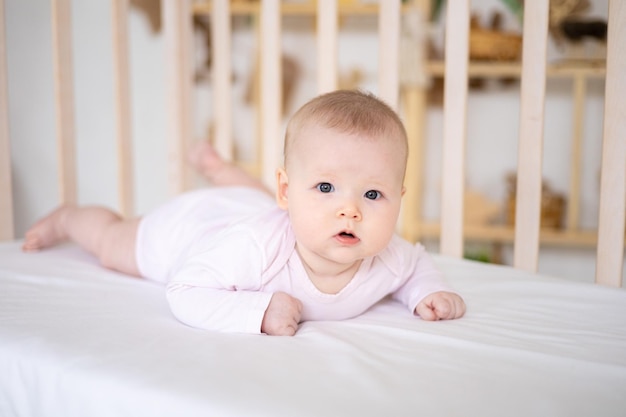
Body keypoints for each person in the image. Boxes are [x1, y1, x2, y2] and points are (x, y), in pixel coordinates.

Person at [22, 90, 466, 336]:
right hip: (197, 228)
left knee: (257, 200)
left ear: (399, 198)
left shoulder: (389, 256)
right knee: (113, 243)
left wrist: (427, 292)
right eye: (326, 187)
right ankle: (68, 217)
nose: (349, 210)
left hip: (257, 208)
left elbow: (417, 268)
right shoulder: (254, 249)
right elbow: (185, 289)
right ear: (288, 191)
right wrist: (258, 312)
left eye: (373, 195)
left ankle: (223, 172)